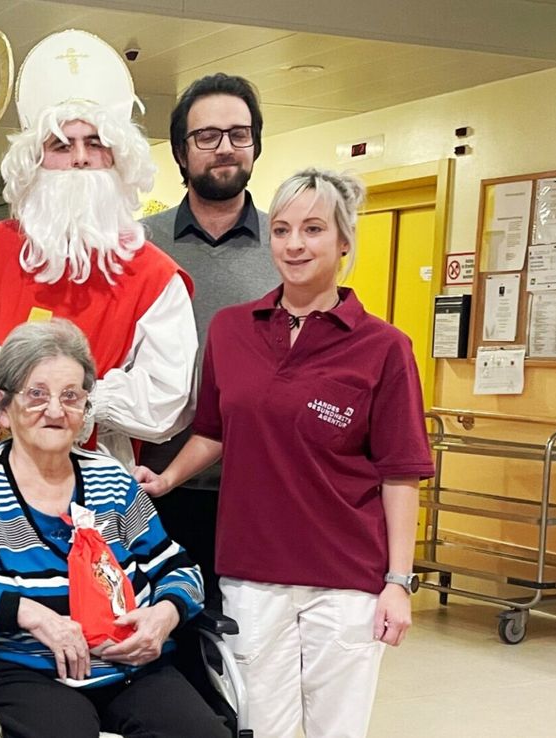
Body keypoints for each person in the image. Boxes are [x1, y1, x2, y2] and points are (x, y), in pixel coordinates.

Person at [135, 169, 434, 738]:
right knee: (260, 728)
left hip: (346, 578)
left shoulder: (385, 348)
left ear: (344, 242)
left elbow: (400, 474)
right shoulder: (230, 330)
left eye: (314, 229)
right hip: (252, 573)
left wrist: (398, 581)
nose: (295, 244)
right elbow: (215, 431)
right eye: (283, 230)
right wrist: (167, 480)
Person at [0, 320, 225, 738]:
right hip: (25, 666)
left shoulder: (111, 479)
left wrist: (163, 616)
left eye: (71, 396)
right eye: (36, 394)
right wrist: (30, 614)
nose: (55, 411)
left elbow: (178, 569)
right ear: (3, 406)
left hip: (129, 664)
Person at [0, 29, 197, 469]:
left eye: (95, 144)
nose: (80, 158)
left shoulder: (155, 277)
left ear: (118, 159)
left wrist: (72, 399)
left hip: (90, 481)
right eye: (60, 145)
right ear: (34, 160)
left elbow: (167, 398)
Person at [138, 73, 281, 610]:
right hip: (154, 485)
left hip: (260, 490)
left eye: (239, 134)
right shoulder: (139, 244)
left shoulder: (286, 243)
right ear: (180, 151)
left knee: (250, 653)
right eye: (207, 136)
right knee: (159, 644)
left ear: (256, 145)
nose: (225, 148)